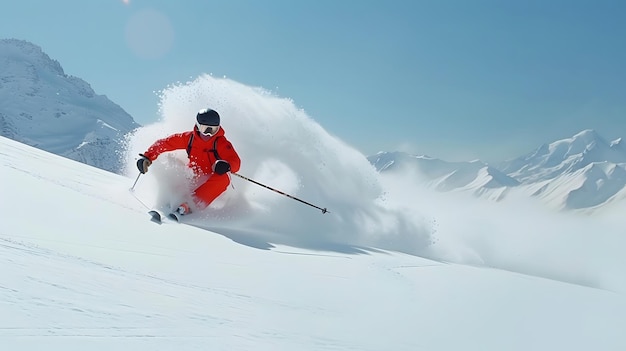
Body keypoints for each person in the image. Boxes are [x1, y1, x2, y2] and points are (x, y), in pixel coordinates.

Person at [136, 108, 241, 215]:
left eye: (213, 130)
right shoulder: (189, 138)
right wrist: (147, 157)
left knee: (224, 178)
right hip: (193, 174)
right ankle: (171, 198)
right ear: (198, 126)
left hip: (212, 179)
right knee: (174, 163)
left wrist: (227, 165)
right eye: (205, 129)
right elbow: (165, 144)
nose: (209, 134)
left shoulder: (221, 143)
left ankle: (192, 205)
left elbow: (236, 162)